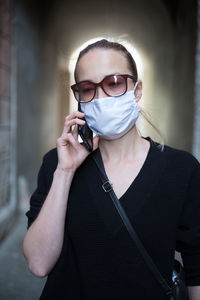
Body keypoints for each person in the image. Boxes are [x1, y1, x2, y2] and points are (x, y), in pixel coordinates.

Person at [23, 39, 200, 300]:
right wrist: (65, 172)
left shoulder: (181, 170)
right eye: (87, 88)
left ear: (137, 90)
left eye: (114, 82)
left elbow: (197, 268)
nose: (101, 97)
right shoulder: (56, 164)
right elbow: (38, 263)